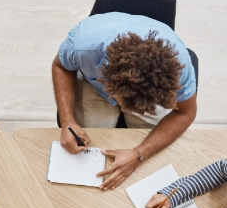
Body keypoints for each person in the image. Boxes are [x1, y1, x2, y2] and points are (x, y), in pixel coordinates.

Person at [52, 12, 197, 190]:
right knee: (88, 140)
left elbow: (186, 112)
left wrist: (139, 154)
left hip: (144, 93)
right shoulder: (83, 46)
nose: (119, 106)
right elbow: (60, 66)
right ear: (109, 77)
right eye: (118, 98)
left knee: (154, 152)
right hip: (96, 86)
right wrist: (68, 122)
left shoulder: (178, 69)